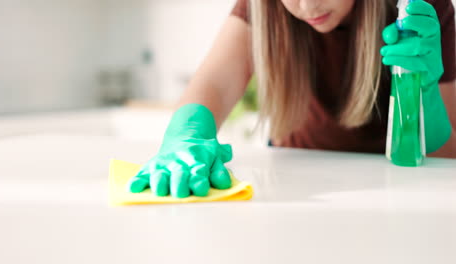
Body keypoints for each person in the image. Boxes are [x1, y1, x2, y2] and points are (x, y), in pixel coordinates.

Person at [128, 0, 456, 198]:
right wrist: (187, 132)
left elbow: (447, 155)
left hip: (394, 190)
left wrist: (426, 94)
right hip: (291, 183)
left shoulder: (418, 12)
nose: (308, 6)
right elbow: (216, 81)